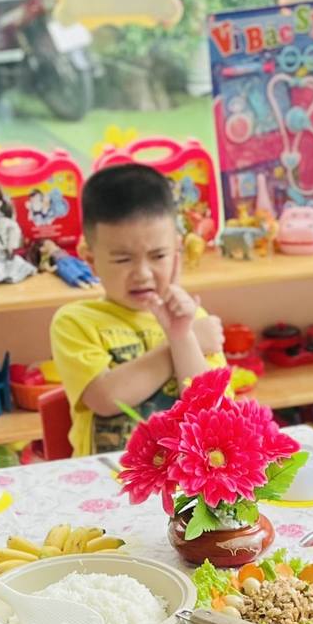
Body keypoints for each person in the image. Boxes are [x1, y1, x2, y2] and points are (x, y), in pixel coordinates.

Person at [50, 162, 227, 456]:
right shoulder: (75, 321)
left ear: (177, 252)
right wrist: (178, 343)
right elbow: (107, 398)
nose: (143, 274)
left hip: (184, 476)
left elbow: (209, 416)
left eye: (158, 256)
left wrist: (183, 336)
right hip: (108, 478)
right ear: (90, 260)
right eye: (123, 259)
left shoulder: (192, 319)